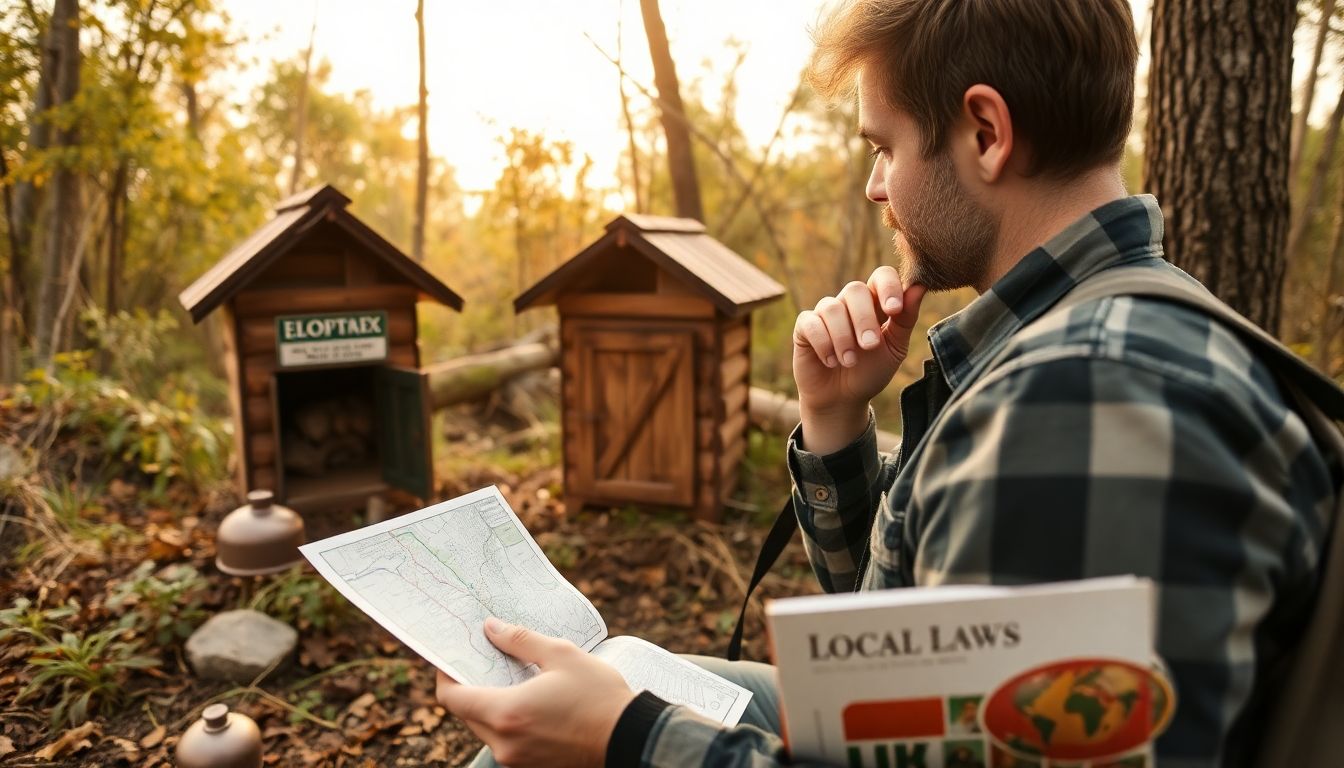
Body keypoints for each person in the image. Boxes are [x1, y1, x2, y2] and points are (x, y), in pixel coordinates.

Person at [436, 1, 1337, 766]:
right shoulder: (1096, 333)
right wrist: (834, 420)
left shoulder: (1086, 397)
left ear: (985, 132)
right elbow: (910, 662)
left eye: (885, 145)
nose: (876, 184)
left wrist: (630, 740)